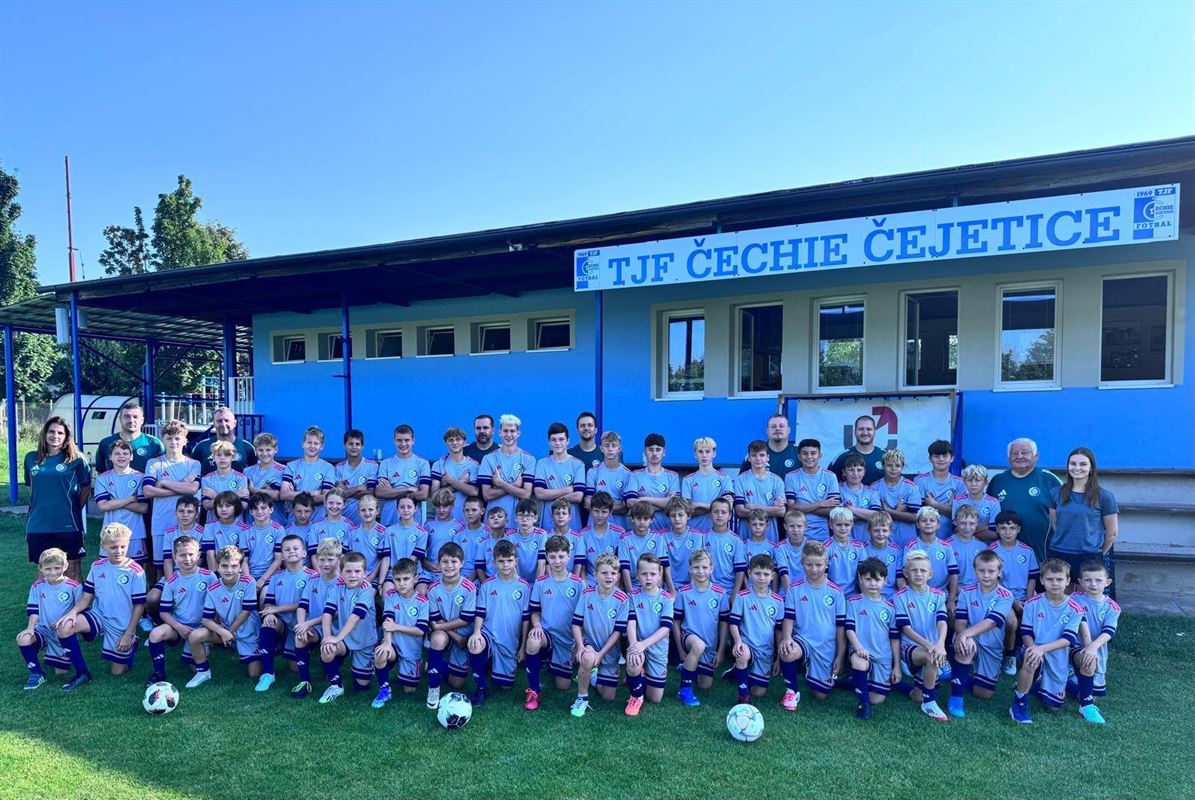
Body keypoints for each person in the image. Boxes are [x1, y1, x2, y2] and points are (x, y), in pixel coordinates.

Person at [55, 523, 147, 688]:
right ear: (103, 546)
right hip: (99, 615)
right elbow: (86, 598)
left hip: (122, 624)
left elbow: (139, 606)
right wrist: (72, 613)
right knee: (65, 627)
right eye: (113, 547)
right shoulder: (97, 567)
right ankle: (82, 673)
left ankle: (131, 644)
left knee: (117, 672)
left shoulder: (136, 571)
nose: (118, 551)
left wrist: (128, 634)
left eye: (123, 546)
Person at [1009, 559, 1089, 724]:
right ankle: (1019, 704)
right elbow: (1026, 632)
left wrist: (1042, 649)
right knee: (1031, 658)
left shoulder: (1075, 608)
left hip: (1058, 652)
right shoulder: (1032, 603)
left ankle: (1038, 685)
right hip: (1034, 647)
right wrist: (1033, 648)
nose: (1055, 583)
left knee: (1053, 707)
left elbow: (1068, 639)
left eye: (1059, 579)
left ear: (1067, 581)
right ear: (1042, 580)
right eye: (1050, 579)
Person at [778, 541, 846, 710]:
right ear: (802, 563)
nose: (814, 569)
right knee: (787, 650)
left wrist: (840, 655)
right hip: (803, 640)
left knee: (821, 695)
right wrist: (787, 638)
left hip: (825, 646)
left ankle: (811, 670)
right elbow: (789, 618)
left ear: (826, 564)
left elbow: (840, 628)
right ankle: (792, 691)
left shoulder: (836, 592)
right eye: (809, 564)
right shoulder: (794, 589)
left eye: (818, 565)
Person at [948, 549, 1013, 718]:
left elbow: (992, 621)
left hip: (991, 645)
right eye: (981, 570)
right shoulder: (967, 593)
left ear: (999, 572)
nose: (986, 575)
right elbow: (960, 622)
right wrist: (964, 636)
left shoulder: (1006, 596)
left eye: (991, 571)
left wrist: (965, 634)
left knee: (984, 694)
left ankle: (957, 676)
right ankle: (956, 699)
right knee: (966, 647)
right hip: (970, 640)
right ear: (975, 570)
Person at [24, 416, 92, 579]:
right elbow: (30, 488)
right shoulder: (31, 458)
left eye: (60, 433)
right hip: (38, 524)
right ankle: (45, 598)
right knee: (44, 570)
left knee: (72, 568)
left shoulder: (77, 459)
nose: (55, 436)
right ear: (45, 433)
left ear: (66, 436)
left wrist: (73, 508)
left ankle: (78, 598)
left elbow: (86, 488)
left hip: (68, 523)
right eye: (51, 431)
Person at [525, 534, 586, 710]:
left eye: (561, 556)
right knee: (533, 640)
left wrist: (578, 646)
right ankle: (534, 690)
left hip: (567, 639)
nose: (557, 561)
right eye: (552, 557)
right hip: (547, 635)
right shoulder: (541, 582)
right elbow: (535, 611)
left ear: (569, 556)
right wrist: (537, 625)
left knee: (563, 686)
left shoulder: (579, 584)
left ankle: (556, 663)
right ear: (546, 557)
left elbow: (583, 619)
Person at [469, 538, 531, 706]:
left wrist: (523, 647)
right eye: (501, 561)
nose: (505, 565)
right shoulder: (487, 585)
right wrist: (476, 632)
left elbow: (526, 619)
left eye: (509, 560)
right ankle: (481, 687)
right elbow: (480, 613)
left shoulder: (524, 587)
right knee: (475, 644)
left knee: (505, 686)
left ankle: (489, 664)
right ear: (494, 562)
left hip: (509, 641)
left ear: (516, 561)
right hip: (488, 634)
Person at [189, 545, 261, 687]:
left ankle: (253, 650)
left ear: (240, 567)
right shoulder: (213, 588)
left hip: (248, 633)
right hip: (225, 631)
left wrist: (229, 633)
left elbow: (246, 612)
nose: (229, 570)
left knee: (254, 674)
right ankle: (203, 672)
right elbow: (206, 620)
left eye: (234, 566)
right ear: (217, 567)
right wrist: (222, 632)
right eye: (224, 566)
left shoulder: (248, 582)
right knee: (195, 636)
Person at [254, 533, 318, 692]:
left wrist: (277, 609)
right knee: (268, 625)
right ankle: (268, 674)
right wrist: (270, 612)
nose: (292, 552)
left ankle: (305, 652)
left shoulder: (313, 576)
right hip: (283, 624)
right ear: (282, 555)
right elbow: (269, 601)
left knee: (294, 668)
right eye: (287, 549)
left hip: (304, 624)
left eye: (296, 548)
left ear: (304, 553)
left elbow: (306, 604)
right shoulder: (277, 576)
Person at [1048, 447, 1119, 587]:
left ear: (1091, 468)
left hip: (1089, 555)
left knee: (1085, 597)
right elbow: (1055, 525)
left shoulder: (1104, 496)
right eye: (1073, 463)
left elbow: (1112, 533)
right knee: (1062, 597)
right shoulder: (1055, 493)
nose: (1077, 468)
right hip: (1059, 553)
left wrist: (1097, 553)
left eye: (1083, 464)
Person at [146, 536, 211, 685]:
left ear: (198, 555)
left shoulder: (209, 577)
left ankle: (200, 648)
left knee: (195, 667)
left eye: (191, 554)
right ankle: (159, 672)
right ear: (174, 557)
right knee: (155, 634)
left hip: (202, 627)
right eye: (182, 555)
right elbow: (164, 612)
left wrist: (210, 629)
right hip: (179, 626)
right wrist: (179, 627)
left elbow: (216, 607)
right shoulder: (171, 582)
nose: (187, 559)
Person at [570, 552, 628, 717]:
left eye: (613, 573)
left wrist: (601, 654)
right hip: (589, 643)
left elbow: (618, 632)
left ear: (618, 576)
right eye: (604, 572)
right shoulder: (587, 594)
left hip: (609, 650)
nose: (609, 576)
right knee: (588, 658)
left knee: (608, 697)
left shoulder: (622, 599)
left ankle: (593, 676)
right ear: (595, 575)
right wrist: (580, 647)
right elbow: (576, 623)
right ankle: (582, 697)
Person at [894, 550, 949, 722]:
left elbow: (942, 622)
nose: (918, 574)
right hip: (910, 646)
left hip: (931, 646)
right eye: (914, 570)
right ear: (906, 573)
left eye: (923, 570)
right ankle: (929, 703)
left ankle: (896, 684)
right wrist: (931, 646)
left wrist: (940, 644)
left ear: (930, 574)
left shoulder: (939, 595)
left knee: (916, 696)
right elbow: (906, 629)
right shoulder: (900, 597)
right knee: (931, 658)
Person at [143, 419, 201, 582]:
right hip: (161, 522)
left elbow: (192, 490)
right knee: (162, 568)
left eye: (177, 438)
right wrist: (181, 485)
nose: (173, 442)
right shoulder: (154, 463)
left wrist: (163, 482)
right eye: (169, 438)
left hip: (187, 523)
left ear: (185, 440)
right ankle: (163, 597)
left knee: (189, 564)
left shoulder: (193, 464)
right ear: (163, 440)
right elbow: (147, 491)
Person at [987, 437, 1062, 562]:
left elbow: (1064, 515)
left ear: (1036, 455)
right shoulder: (997, 481)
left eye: (1025, 452)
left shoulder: (1049, 479)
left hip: (1043, 556)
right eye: (1015, 453)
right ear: (1008, 457)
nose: (1020, 456)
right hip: (1004, 558)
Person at [17, 548, 82, 690]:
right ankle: (37, 673)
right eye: (48, 569)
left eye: (57, 568)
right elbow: (33, 610)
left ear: (65, 566)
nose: (53, 572)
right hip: (43, 630)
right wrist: (30, 628)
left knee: (60, 672)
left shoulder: (74, 587)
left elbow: (79, 611)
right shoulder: (37, 585)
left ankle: (61, 653)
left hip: (62, 633)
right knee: (24, 638)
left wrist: (64, 621)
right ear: (41, 568)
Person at [317, 551, 377, 703]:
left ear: (365, 573)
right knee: (327, 650)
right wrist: (327, 637)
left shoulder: (367, 589)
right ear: (341, 572)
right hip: (345, 639)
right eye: (348, 571)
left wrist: (337, 638)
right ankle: (336, 686)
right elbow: (328, 613)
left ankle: (369, 666)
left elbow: (355, 616)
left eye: (357, 571)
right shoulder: (337, 587)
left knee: (361, 686)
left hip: (364, 642)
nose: (353, 575)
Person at [845, 558, 901, 720]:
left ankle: (853, 681)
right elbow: (849, 629)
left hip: (882, 657)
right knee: (859, 663)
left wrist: (896, 666)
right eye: (868, 579)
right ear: (861, 579)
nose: (873, 583)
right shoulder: (853, 602)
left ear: (885, 580)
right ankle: (863, 705)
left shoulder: (890, 608)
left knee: (877, 699)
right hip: (860, 651)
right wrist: (858, 647)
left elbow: (894, 639)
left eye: (877, 579)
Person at [425, 542, 479, 708]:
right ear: (439, 564)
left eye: (454, 561)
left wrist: (442, 628)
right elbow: (435, 618)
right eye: (445, 561)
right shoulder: (433, 589)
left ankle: (434, 663)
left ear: (462, 563)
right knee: (437, 639)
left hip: (463, 632)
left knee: (457, 683)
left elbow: (466, 619)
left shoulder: (469, 588)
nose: (449, 566)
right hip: (449, 634)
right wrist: (455, 637)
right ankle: (433, 689)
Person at [673, 549, 729, 706]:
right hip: (689, 637)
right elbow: (676, 622)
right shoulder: (683, 592)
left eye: (704, 567)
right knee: (698, 646)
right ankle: (684, 689)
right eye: (696, 567)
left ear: (712, 568)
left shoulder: (720, 593)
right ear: (690, 569)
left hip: (710, 644)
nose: (700, 571)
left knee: (705, 685)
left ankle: (688, 665)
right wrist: (680, 650)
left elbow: (724, 623)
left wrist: (720, 651)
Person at [372, 557, 430, 708]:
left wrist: (396, 627)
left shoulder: (422, 602)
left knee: (409, 690)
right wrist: (387, 643)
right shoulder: (391, 595)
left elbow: (420, 630)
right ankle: (384, 689)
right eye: (398, 579)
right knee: (381, 653)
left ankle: (416, 666)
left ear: (415, 579)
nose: (401, 583)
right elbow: (387, 622)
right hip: (394, 644)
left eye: (406, 579)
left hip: (411, 650)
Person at [730, 554, 785, 705]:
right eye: (757, 573)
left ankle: (738, 671)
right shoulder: (742, 597)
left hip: (765, 651)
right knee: (743, 654)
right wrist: (738, 642)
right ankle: (743, 695)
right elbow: (733, 623)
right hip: (747, 644)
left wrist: (779, 659)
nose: (761, 578)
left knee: (759, 692)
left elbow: (779, 632)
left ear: (772, 576)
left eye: (766, 574)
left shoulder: (778, 601)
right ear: (749, 573)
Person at [291, 537, 343, 699]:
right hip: (316, 629)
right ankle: (304, 681)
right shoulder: (313, 579)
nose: (325, 564)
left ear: (339, 559)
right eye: (322, 560)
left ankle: (337, 684)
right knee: (300, 636)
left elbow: (335, 614)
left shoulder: (343, 582)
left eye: (330, 559)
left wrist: (308, 623)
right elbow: (302, 606)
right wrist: (302, 625)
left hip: (338, 632)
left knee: (328, 655)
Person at [624, 553, 674, 716]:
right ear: (637, 575)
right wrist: (634, 646)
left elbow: (666, 628)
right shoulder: (632, 596)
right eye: (644, 574)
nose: (648, 578)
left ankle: (637, 677)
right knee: (634, 659)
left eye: (653, 574)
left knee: (655, 698)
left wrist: (644, 644)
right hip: (638, 644)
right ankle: (635, 697)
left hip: (657, 648)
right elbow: (631, 623)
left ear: (660, 575)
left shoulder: (666, 598)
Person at [1070, 560, 1119, 721]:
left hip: (1098, 650)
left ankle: (1066, 685)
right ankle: (1086, 708)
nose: (1093, 584)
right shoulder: (1074, 599)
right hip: (1074, 646)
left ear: (1107, 582)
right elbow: (1081, 623)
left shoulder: (1112, 607)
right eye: (1088, 580)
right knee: (1089, 661)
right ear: (1080, 582)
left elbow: (1108, 632)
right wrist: (1089, 648)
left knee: (1089, 694)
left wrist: (1093, 647)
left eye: (1098, 580)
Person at [94, 440, 149, 569]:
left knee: (135, 569)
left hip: (135, 533)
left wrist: (115, 501)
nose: (121, 457)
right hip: (110, 534)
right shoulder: (102, 478)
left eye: (125, 453)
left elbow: (143, 508)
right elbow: (103, 506)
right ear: (110, 457)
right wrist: (130, 499)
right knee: (110, 569)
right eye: (117, 453)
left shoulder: (140, 477)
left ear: (131, 456)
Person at [477, 414, 536, 521]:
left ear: (518, 433)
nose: (509, 434)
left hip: (517, 520)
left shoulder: (528, 459)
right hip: (493, 519)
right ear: (499, 432)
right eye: (505, 431)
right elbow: (487, 495)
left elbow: (526, 494)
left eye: (512, 431)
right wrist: (514, 486)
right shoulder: (488, 459)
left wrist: (500, 483)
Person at [784, 438, 840, 541]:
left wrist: (801, 507)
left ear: (820, 455)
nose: (809, 457)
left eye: (813, 453)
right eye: (805, 453)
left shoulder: (830, 476)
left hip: (821, 534)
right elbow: (791, 508)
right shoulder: (791, 477)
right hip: (796, 534)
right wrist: (821, 504)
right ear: (799, 456)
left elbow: (833, 511)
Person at [532, 422, 586, 531]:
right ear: (549, 442)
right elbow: (540, 494)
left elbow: (578, 496)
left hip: (572, 525)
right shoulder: (542, 464)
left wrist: (552, 497)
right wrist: (568, 489)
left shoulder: (578, 464)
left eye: (561, 439)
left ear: (568, 441)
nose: (557, 443)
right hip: (548, 524)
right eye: (554, 440)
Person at [376, 424, 432, 526]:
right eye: (399, 440)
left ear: (413, 441)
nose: (403, 444)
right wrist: (409, 489)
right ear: (394, 441)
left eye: (407, 440)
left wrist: (392, 491)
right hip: (389, 517)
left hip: (412, 519)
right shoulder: (386, 463)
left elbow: (423, 494)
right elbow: (379, 492)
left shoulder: (422, 463)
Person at [734, 440, 787, 543]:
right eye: (754, 455)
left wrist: (752, 507)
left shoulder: (777, 480)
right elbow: (740, 511)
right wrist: (771, 509)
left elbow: (781, 512)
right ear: (749, 458)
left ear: (768, 457)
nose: (758, 459)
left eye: (762, 455)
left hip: (770, 536)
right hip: (746, 535)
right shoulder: (740, 480)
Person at [624, 433, 680, 530]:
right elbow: (630, 502)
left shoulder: (672, 476)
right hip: (642, 532)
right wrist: (664, 503)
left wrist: (643, 499)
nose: (654, 453)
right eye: (650, 450)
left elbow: (673, 505)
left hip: (666, 532)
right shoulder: (635, 475)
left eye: (658, 450)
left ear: (664, 452)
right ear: (644, 452)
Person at [280, 426, 335, 523]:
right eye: (309, 442)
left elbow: (326, 497)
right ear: (303, 444)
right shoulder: (291, 466)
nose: (312, 446)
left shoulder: (328, 468)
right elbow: (283, 494)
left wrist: (295, 494)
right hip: (294, 522)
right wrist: (313, 493)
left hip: (319, 522)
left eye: (316, 443)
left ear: (322, 446)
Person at [914, 440, 965, 538]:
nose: (941, 459)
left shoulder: (959, 483)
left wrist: (934, 504)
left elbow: (960, 516)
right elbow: (918, 513)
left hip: (952, 539)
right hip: (926, 538)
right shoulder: (920, 481)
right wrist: (948, 508)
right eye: (936, 456)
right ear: (930, 459)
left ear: (952, 458)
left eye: (945, 456)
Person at [871, 449, 921, 548]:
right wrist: (900, 513)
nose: (893, 468)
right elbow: (873, 517)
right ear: (883, 465)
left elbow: (916, 517)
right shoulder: (874, 487)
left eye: (897, 465)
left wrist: (888, 511)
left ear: (903, 467)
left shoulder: (911, 487)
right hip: (882, 540)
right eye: (889, 465)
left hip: (906, 540)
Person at [682, 436, 734, 532]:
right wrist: (716, 507)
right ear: (695, 454)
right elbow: (687, 511)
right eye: (700, 452)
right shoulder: (688, 480)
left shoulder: (724, 479)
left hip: (716, 533)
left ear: (714, 453)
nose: (704, 455)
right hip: (693, 533)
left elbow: (728, 507)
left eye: (707, 451)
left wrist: (698, 504)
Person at [94, 402, 163, 474]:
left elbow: (163, 472)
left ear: (142, 420)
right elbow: (101, 472)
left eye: (135, 417)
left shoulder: (154, 444)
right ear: (120, 419)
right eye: (127, 416)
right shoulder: (106, 443)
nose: (131, 420)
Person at [429, 426, 480, 524]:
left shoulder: (473, 465)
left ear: (464, 442)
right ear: (446, 443)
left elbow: (474, 492)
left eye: (458, 439)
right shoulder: (439, 464)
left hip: (466, 520)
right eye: (450, 440)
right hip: (444, 520)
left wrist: (451, 481)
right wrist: (461, 482)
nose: (455, 443)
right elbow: (435, 495)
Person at [584, 432, 632, 530]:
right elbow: (587, 504)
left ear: (619, 449)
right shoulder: (593, 472)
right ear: (601, 448)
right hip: (594, 528)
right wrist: (616, 504)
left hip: (619, 528)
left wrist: (597, 507)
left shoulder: (628, 474)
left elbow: (625, 508)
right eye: (606, 445)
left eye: (614, 445)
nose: (610, 449)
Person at [619, 501, 669, 593]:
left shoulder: (658, 537)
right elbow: (625, 569)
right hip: (633, 585)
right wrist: (631, 593)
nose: (642, 522)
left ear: (651, 520)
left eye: (646, 519)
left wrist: (656, 592)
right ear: (632, 519)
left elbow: (661, 566)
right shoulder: (625, 539)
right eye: (638, 518)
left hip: (654, 584)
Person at [575, 491, 623, 586]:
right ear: (591, 510)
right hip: (590, 581)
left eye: (604, 512)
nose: (599, 515)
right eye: (596, 511)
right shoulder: (582, 534)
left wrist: (616, 588)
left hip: (611, 581)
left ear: (610, 512)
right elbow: (582, 566)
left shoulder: (619, 533)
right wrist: (584, 586)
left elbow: (620, 566)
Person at [189, 407, 256, 473]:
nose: (223, 424)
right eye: (219, 421)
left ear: (234, 423)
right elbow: (192, 473)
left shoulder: (248, 448)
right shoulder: (201, 447)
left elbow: (254, 473)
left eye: (227, 420)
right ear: (214, 423)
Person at [335, 429, 378, 525]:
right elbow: (338, 496)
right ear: (344, 445)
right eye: (350, 444)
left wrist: (346, 491)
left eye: (357, 444)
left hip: (364, 520)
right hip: (343, 520)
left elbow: (370, 494)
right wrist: (358, 488)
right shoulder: (338, 468)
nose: (354, 447)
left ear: (362, 446)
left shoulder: (372, 466)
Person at [663, 497, 705, 594]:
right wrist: (672, 591)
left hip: (691, 585)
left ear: (688, 516)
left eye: (681, 515)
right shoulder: (662, 536)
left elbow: (696, 563)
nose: (677, 519)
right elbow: (664, 566)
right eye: (673, 515)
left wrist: (690, 591)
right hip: (668, 586)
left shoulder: (697, 536)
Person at [739, 413, 799, 478]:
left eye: (781, 426)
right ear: (767, 430)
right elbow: (742, 479)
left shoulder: (799, 453)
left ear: (789, 430)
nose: (777, 429)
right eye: (773, 426)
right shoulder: (755, 453)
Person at [829, 415, 885, 485]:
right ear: (855, 432)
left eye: (869, 429)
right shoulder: (842, 458)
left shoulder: (885, 456)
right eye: (861, 429)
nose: (865, 433)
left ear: (874, 431)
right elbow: (828, 483)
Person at [245, 433, 286, 525]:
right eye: (260, 450)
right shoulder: (247, 471)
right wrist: (266, 490)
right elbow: (244, 495)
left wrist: (253, 490)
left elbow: (276, 495)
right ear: (255, 450)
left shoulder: (283, 470)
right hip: (251, 523)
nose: (264, 453)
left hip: (275, 522)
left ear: (275, 449)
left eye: (268, 450)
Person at [707, 497, 746, 594]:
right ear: (710, 514)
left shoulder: (737, 541)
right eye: (716, 512)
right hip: (707, 590)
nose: (719, 515)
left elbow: (740, 570)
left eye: (724, 512)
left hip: (728, 591)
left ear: (730, 516)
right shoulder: (702, 537)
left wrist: (734, 594)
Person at [824, 507, 865, 596]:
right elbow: (823, 576)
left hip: (853, 595)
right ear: (830, 525)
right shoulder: (825, 547)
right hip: (832, 595)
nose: (843, 528)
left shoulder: (859, 547)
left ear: (852, 524)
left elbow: (863, 575)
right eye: (838, 524)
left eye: (846, 525)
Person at [861, 511, 902, 599]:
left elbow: (900, 579)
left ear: (890, 531)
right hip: (869, 595)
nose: (881, 534)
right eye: (876, 530)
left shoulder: (896, 550)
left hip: (891, 596)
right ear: (869, 531)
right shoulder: (862, 549)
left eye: (884, 530)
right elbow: (861, 578)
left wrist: (903, 598)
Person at [199, 440, 249, 513]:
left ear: (233, 457)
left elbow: (243, 505)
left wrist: (215, 496)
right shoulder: (206, 479)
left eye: (227, 455)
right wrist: (236, 495)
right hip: (214, 520)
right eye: (219, 455)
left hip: (235, 520)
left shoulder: (241, 478)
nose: (222, 458)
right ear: (213, 457)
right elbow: (207, 505)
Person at [952, 464, 1002, 533]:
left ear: (986, 482)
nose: (973, 484)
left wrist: (969, 532)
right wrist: (986, 527)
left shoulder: (993, 502)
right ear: (964, 482)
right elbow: (956, 528)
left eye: (978, 480)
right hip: (963, 539)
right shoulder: (958, 501)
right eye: (969, 480)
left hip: (987, 540)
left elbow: (994, 530)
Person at [774, 510, 808, 591]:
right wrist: (791, 595)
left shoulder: (810, 546)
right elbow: (783, 574)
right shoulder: (780, 548)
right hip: (786, 591)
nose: (796, 530)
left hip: (806, 591)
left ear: (805, 526)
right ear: (785, 526)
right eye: (792, 526)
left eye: (799, 526)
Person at [567, 411, 602, 475]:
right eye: (582, 426)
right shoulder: (569, 454)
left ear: (596, 430)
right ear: (577, 430)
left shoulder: (604, 453)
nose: (586, 428)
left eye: (590, 425)